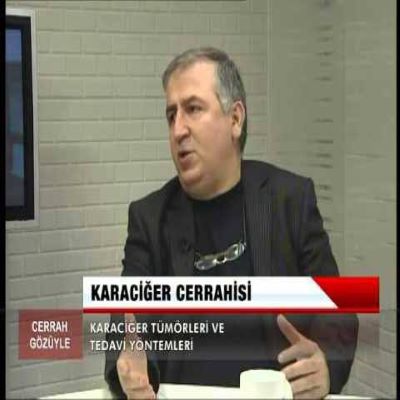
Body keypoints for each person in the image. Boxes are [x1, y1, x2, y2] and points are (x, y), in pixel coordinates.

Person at [105, 47, 358, 399]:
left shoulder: (289, 200)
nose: (178, 130)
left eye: (193, 109)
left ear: (235, 119)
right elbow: (127, 328)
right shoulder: (149, 218)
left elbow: (340, 311)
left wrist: (326, 364)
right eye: (171, 115)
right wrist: (131, 368)